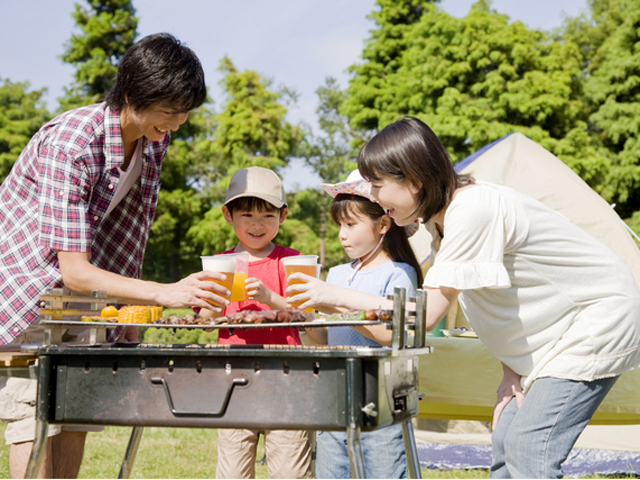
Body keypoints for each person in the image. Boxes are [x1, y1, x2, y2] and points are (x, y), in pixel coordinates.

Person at [290, 116, 640, 478]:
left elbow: (422, 317)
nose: (375, 197)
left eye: (377, 186)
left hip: (597, 320)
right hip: (553, 338)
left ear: (414, 180)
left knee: (529, 447)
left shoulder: (472, 210)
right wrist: (512, 369)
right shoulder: (440, 221)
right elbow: (498, 296)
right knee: (506, 437)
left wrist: (335, 294)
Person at [0, 33, 231, 479]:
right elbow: (73, 268)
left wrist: (127, 313)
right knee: (35, 412)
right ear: (133, 95)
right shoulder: (71, 144)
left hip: (85, 296)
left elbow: (130, 233)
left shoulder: (153, 141)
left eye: (186, 111)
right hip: (29, 288)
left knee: (79, 408)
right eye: (171, 110)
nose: (179, 122)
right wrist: (166, 293)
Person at [302, 169, 422, 479]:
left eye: (351, 224)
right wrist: (305, 315)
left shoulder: (398, 273)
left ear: (383, 224)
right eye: (340, 225)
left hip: (380, 397)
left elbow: (392, 336)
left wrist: (339, 304)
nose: (342, 234)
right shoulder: (337, 274)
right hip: (336, 394)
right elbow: (325, 339)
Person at [199, 166, 312, 479]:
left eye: (268, 215)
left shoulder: (291, 260)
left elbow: (307, 316)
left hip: (287, 379)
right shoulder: (219, 264)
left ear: (283, 216)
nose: (257, 224)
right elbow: (205, 323)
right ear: (228, 214)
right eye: (247, 215)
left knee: (291, 470)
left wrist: (268, 296)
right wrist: (216, 301)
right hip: (233, 381)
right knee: (233, 470)